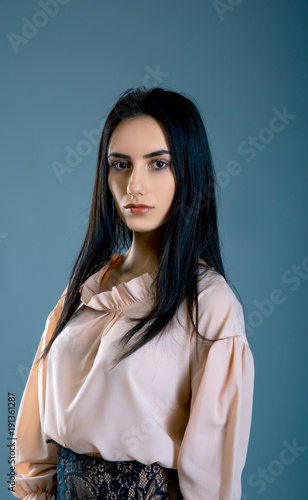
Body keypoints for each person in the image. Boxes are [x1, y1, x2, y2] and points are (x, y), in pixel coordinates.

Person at [12, 87, 255, 500]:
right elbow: (35, 437)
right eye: (120, 165)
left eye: (158, 164)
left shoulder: (209, 304)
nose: (134, 185)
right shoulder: (84, 289)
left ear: (188, 173)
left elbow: (213, 477)